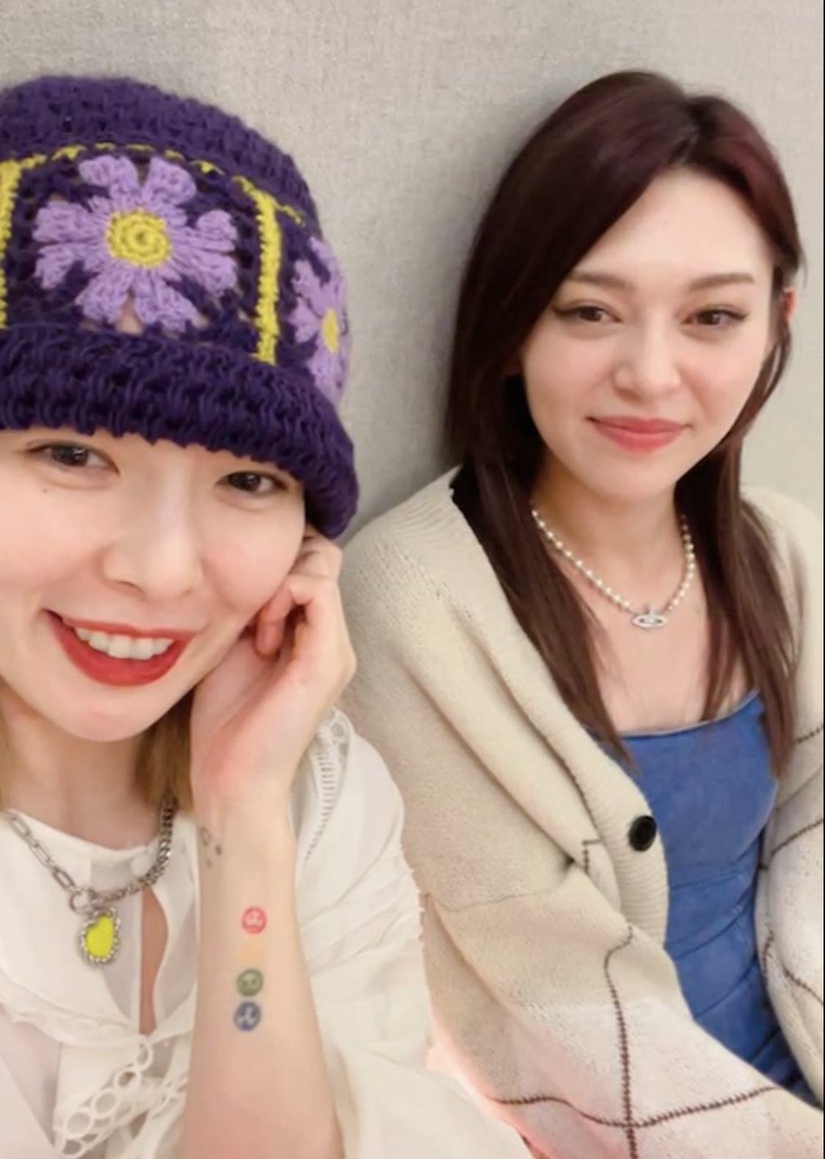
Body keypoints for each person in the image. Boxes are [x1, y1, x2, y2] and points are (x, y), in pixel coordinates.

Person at [0, 74, 529, 1159]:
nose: (161, 570)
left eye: (246, 481)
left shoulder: (313, 790)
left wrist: (243, 820)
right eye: (71, 453)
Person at [341, 70, 824, 1158]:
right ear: (514, 325)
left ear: (775, 326)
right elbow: (543, 1000)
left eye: (712, 317)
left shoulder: (784, 553)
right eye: (589, 311)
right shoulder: (416, 602)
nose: (649, 375)